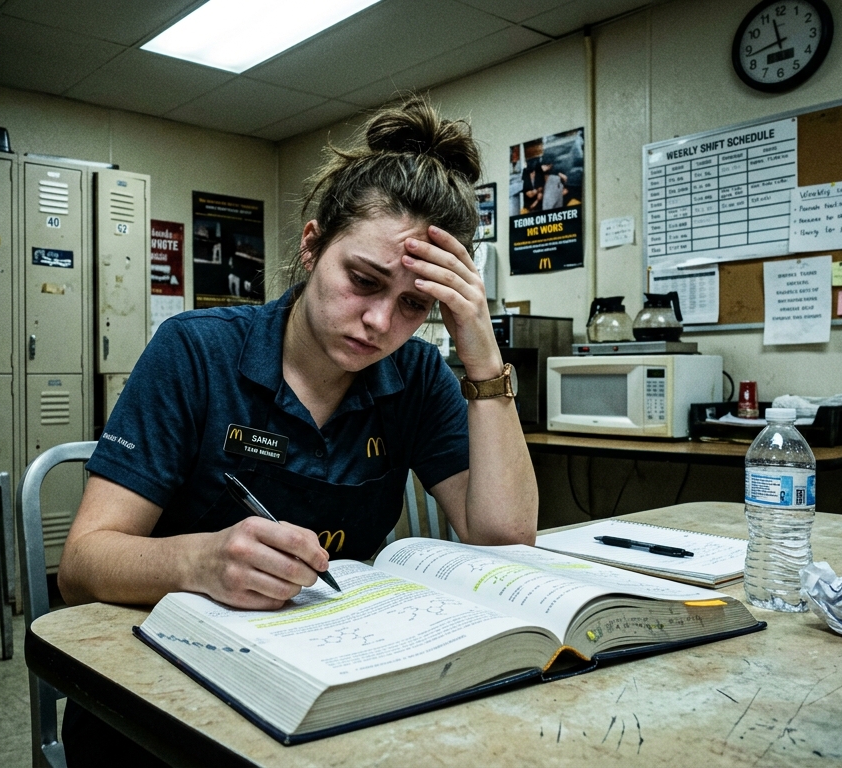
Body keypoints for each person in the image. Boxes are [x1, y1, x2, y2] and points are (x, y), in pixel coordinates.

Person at [56, 95, 539, 765]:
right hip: (160, 704)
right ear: (312, 247)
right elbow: (80, 565)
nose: (377, 322)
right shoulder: (196, 351)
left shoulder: (419, 373)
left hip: (330, 687)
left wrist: (481, 355)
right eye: (363, 280)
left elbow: (505, 537)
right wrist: (198, 562)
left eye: (414, 305)